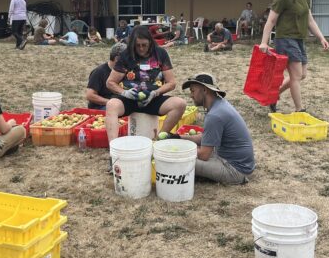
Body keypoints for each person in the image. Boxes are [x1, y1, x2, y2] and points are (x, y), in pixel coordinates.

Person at [105, 25, 187, 155]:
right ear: (132, 44)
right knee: (111, 105)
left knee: (180, 104)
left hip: (153, 98)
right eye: (138, 45)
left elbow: (171, 83)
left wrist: (156, 92)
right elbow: (110, 82)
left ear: (150, 42)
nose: (141, 48)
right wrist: (124, 93)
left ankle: (158, 142)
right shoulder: (126, 55)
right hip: (130, 99)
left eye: (144, 45)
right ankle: (114, 151)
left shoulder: (160, 53)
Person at [260, 0, 329, 113]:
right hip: (285, 39)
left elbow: (310, 20)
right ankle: (300, 110)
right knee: (296, 76)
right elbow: (271, 21)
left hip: (299, 39)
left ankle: (274, 95)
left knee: (301, 75)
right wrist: (264, 42)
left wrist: (321, 38)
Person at [181, 73, 255, 184]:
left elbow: (203, 155)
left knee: (179, 162)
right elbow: (206, 138)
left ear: (205, 90)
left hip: (235, 171)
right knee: (191, 150)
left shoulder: (214, 115)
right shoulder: (220, 105)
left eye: (193, 91)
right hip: (236, 163)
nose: (191, 95)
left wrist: (179, 150)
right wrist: (179, 138)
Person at [85, 43, 127, 109]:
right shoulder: (99, 72)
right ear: (117, 59)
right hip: (101, 107)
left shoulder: (126, 70)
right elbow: (90, 95)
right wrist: (110, 102)